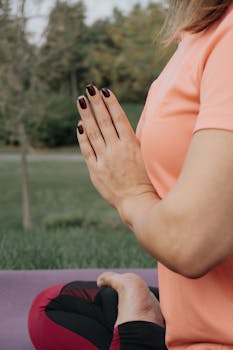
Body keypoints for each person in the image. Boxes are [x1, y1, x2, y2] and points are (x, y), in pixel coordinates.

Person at [28, 1, 233, 349]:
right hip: (197, 311)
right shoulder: (199, 33)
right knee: (53, 308)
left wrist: (131, 194)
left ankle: (139, 330)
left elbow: (191, 244)